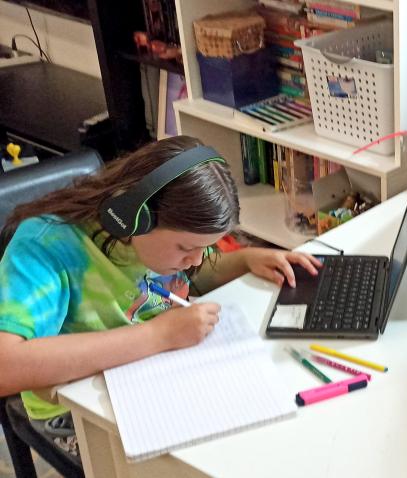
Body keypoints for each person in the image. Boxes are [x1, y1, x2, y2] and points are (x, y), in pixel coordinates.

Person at [0, 136, 321, 459]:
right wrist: (158, 335)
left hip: (153, 377)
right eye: (185, 248)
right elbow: (6, 366)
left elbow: (185, 277)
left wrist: (246, 259)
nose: (196, 260)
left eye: (203, 248)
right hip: (72, 412)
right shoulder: (46, 248)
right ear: (132, 217)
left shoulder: (160, 241)